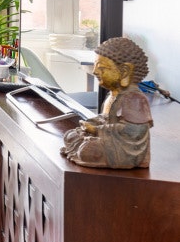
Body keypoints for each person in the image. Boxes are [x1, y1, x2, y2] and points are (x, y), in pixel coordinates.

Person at [60, 36, 152, 168]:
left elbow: (134, 131)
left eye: (102, 68)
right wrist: (92, 123)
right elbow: (105, 118)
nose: (95, 71)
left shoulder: (135, 98)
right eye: (95, 66)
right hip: (108, 139)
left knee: (88, 150)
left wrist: (97, 130)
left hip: (125, 149)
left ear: (124, 72)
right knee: (70, 136)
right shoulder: (112, 95)